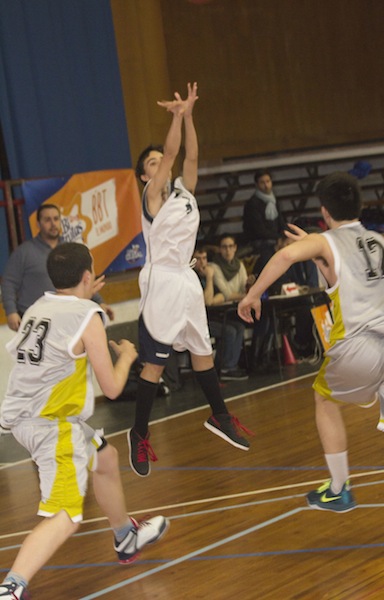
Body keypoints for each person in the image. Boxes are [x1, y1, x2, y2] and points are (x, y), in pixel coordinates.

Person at [0, 243, 168, 600]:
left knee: (104, 457)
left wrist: (84, 298)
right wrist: (127, 356)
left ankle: (125, 536)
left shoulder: (38, 308)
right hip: (52, 424)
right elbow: (112, 388)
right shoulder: (88, 315)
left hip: (28, 414)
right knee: (65, 515)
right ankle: (12, 587)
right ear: (88, 276)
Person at [238, 171, 384, 513]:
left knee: (324, 401)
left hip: (360, 346)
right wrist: (315, 251)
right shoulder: (379, 241)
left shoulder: (327, 242)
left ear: (324, 211)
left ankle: (339, 489)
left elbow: (285, 257)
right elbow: (344, 274)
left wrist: (252, 295)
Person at [128, 82, 252, 478]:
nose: (159, 165)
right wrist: (177, 117)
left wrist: (191, 116)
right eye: (151, 164)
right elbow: (172, 153)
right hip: (161, 280)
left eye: (158, 161)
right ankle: (139, 433)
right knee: (154, 364)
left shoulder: (185, 192)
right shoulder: (151, 197)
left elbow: (191, 155)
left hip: (186, 278)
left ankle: (220, 416)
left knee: (203, 353)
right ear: (145, 176)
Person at [1, 203, 114, 331]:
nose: (53, 224)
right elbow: (8, 283)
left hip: (65, 317)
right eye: (47, 220)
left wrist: (100, 302)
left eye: (56, 219)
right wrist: (11, 312)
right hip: (33, 321)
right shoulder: (24, 252)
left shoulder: (69, 251)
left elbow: (83, 280)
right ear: (38, 224)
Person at [193, 245, 248, 381]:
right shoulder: (193, 278)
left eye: (204, 258)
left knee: (239, 327)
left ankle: (230, 365)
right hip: (197, 323)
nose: (202, 262)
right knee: (229, 331)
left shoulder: (206, 275)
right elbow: (207, 302)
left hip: (212, 318)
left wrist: (213, 298)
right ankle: (224, 368)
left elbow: (222, 296)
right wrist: (210, 278)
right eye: (198, 259)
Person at [242, 169, 286, 275]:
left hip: (274, 239)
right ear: (257, 184)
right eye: (262, 182)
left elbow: (281, 222)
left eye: (268, 181)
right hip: (259, 242)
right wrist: (278, 238)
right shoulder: (252, 204)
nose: (266, 185)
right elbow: (259, 231)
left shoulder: (274, 201)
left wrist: (285, 236)